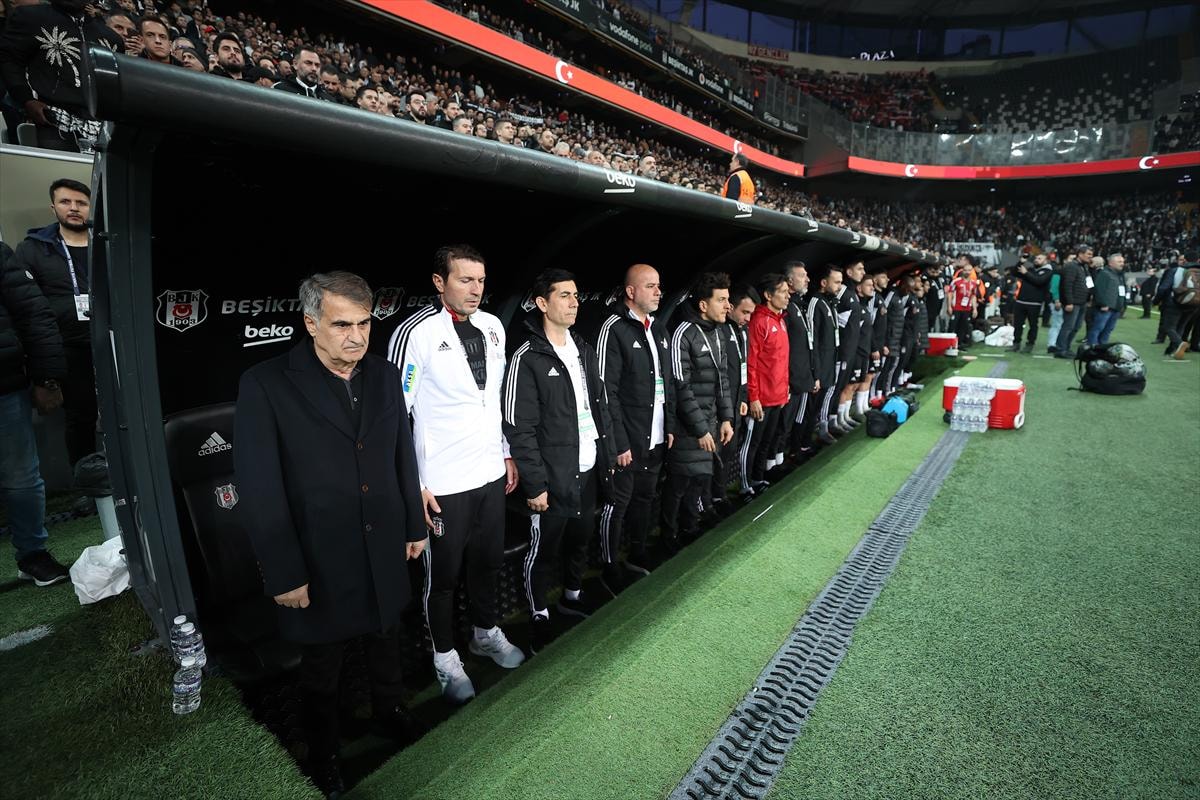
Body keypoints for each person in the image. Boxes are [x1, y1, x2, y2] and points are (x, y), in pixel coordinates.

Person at [234, 272, 427, 798]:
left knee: (387, 636)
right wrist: (283, 571)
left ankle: (389, 711)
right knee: (322, 664)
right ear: (311, 323)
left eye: (364, 323)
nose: (357, 336)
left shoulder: (384, 374)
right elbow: (259, 485)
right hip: (318, 555)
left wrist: (413, 523)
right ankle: (324, 755)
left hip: (383, 541)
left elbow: (401, 453)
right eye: (343, 325)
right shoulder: (266, 383)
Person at [387, 245, 523, 705]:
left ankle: (485, 633)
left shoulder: (493, 326)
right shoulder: (416, 333)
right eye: (465, 279)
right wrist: (414, 486)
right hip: (442, 483)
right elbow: (395, 416)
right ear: (439, 282)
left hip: (489, 473)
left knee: (488, 562)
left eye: (480, 280)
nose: (475, 289)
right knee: (441, 580)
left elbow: (493, 399)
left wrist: (505, 451)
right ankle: (444, 659)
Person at [503, 269, 614, 653]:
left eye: (576, 295)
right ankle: (539, 616)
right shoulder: (527, 356)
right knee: (544, 549)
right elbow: (518, 426)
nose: (573, 302)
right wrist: (536, 484)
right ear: (542, 303)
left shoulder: (583, 347)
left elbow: (598, 407)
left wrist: (608, 454)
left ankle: (573, 595)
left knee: (580, 537)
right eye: (564, 295)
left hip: (587, 466)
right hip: (552, 476)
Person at [594, 264, 674, 593]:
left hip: (655, 436)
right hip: (627, 442)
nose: (658, 292)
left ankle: (637, 553)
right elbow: (605, 392)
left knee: (644, 498)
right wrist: (618, 442)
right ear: (630, 291)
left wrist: (668, 426)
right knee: (618, 504)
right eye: (650, 286)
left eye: (659, 286)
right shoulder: (614, 328)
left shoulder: (658, 328)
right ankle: (608, 566)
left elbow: (667, 384)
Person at [10, 179, 98, 469]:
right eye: (65, 202)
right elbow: (27, 307)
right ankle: (88, 478)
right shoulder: (33, 250)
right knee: (80, 417)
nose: (73, 208)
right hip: (69, 347)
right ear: (53, 207)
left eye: (81, 203)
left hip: (114, 343)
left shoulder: (110, 242)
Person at [1, 240, 70, 586]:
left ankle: (32, 554)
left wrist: (46, 377)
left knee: (22, 479)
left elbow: (32, 312)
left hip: (4, 386)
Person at [663, 272, 734, 549]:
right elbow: (681, 387)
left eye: (728, 299)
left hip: (710, 422)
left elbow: (722, 380)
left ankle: (689, 528)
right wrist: (701, 429)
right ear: (703, 305)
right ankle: (668, 537)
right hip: (687, 428)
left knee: (699, 480)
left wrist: (726, 418)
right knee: (679, 483)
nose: (727, 305)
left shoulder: (718, 332)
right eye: (721, 300)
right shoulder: (684, 333)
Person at [0, 0, 123, 151]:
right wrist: (26, 99)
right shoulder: (30, 17)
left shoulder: (112, 39)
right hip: (50, 119)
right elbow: (9, 60)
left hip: (100, 128)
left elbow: (114, 86)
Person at [739, 273, 789, 496]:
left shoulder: (780, 320)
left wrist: (784, 389)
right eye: (783, 292)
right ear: (768, 295)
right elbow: (751, 363)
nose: (787, 296)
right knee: (752, 443)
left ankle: (758, 478)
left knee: (765, 441)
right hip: (761, 399)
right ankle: (744, 486)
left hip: (777, 395)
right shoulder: (759, 321)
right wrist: (754, 397)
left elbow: (780, 361)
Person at [716, 284, 754, 508]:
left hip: (736, 404)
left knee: (729, 452)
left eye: (750, 313)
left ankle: (719, 496)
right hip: (720, 408)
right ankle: (710, 502)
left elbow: (743, 367)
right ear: (731, 308)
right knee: (716, 456)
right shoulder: (720, 331)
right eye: (744, 312)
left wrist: (743, 398)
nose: (748, 318)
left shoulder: (742, 331)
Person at [780, 262, 819, 457]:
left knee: (793, 420)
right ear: (789, 280)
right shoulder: (787, 308)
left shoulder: (798, 305)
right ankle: (775, 463)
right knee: (782, 424)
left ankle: (788, 455)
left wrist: (812, 373)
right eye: (802, 275)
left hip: (801, 376)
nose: (807, 279)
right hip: (790, 379)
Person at [806, 265, 842, 445]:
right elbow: (812, 340)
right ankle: (802, 445)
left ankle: (816, 435)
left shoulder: (830, 302)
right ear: (823, 282)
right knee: (809, 408)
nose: (839, 286)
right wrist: (816, 372)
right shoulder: (815, 302)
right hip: (818, 367)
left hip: (829, 362)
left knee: (819, 404)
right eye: (836, 282)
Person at [1009, 253, 1053, 354]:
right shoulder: (1030, 269)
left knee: (1033, 325)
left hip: (1034, 302)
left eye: (1040, 258)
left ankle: (1030, 344)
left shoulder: (1048, 271)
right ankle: (1016, 343)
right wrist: (1020, 262)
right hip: (1021, 300)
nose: (1036, 259)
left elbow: (1039, 281)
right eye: (1036, 258)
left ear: (1046, 261)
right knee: (1018, 324)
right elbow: (1014, 272)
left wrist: (1026, 273)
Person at [1054, 247, 1091, 358]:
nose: (1090, 256)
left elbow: (1089, 283)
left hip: (1082, 302)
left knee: (1076, 327)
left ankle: (1066, 347)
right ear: (1080, 254)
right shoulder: (1071, 266)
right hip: (1073, 302)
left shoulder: (1084, 267)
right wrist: (1069, 302)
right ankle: (1060, 349)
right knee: (1068, 326)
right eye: (1088, 254)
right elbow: (1067, 285)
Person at [1087, 254, 1126, 347]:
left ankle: (1102, 348)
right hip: (1106, 307)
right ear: (1111, 263)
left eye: (1123, 262)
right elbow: (1099, 290)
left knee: (1108, 330)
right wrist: (1103, 304)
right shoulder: (1105, 274)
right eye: (1119, 262)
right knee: (1098, 328)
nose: (1122, 264)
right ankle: (1092, 347)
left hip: (1115, 307)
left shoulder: (1119, 275)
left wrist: (1122, 305)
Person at [948, 264, 979, 354]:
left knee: (963, 327)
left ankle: (959, 345)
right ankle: (949, 344)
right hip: (956, 307)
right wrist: (949, 306)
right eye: (965, 270)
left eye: (969, 270)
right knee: (953, 326)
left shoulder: (973, 283)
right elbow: (950, 293)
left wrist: (975, 309)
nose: (967, 272)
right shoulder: (956, 281)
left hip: (967, 309)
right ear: (962, 271)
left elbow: (973, 296)